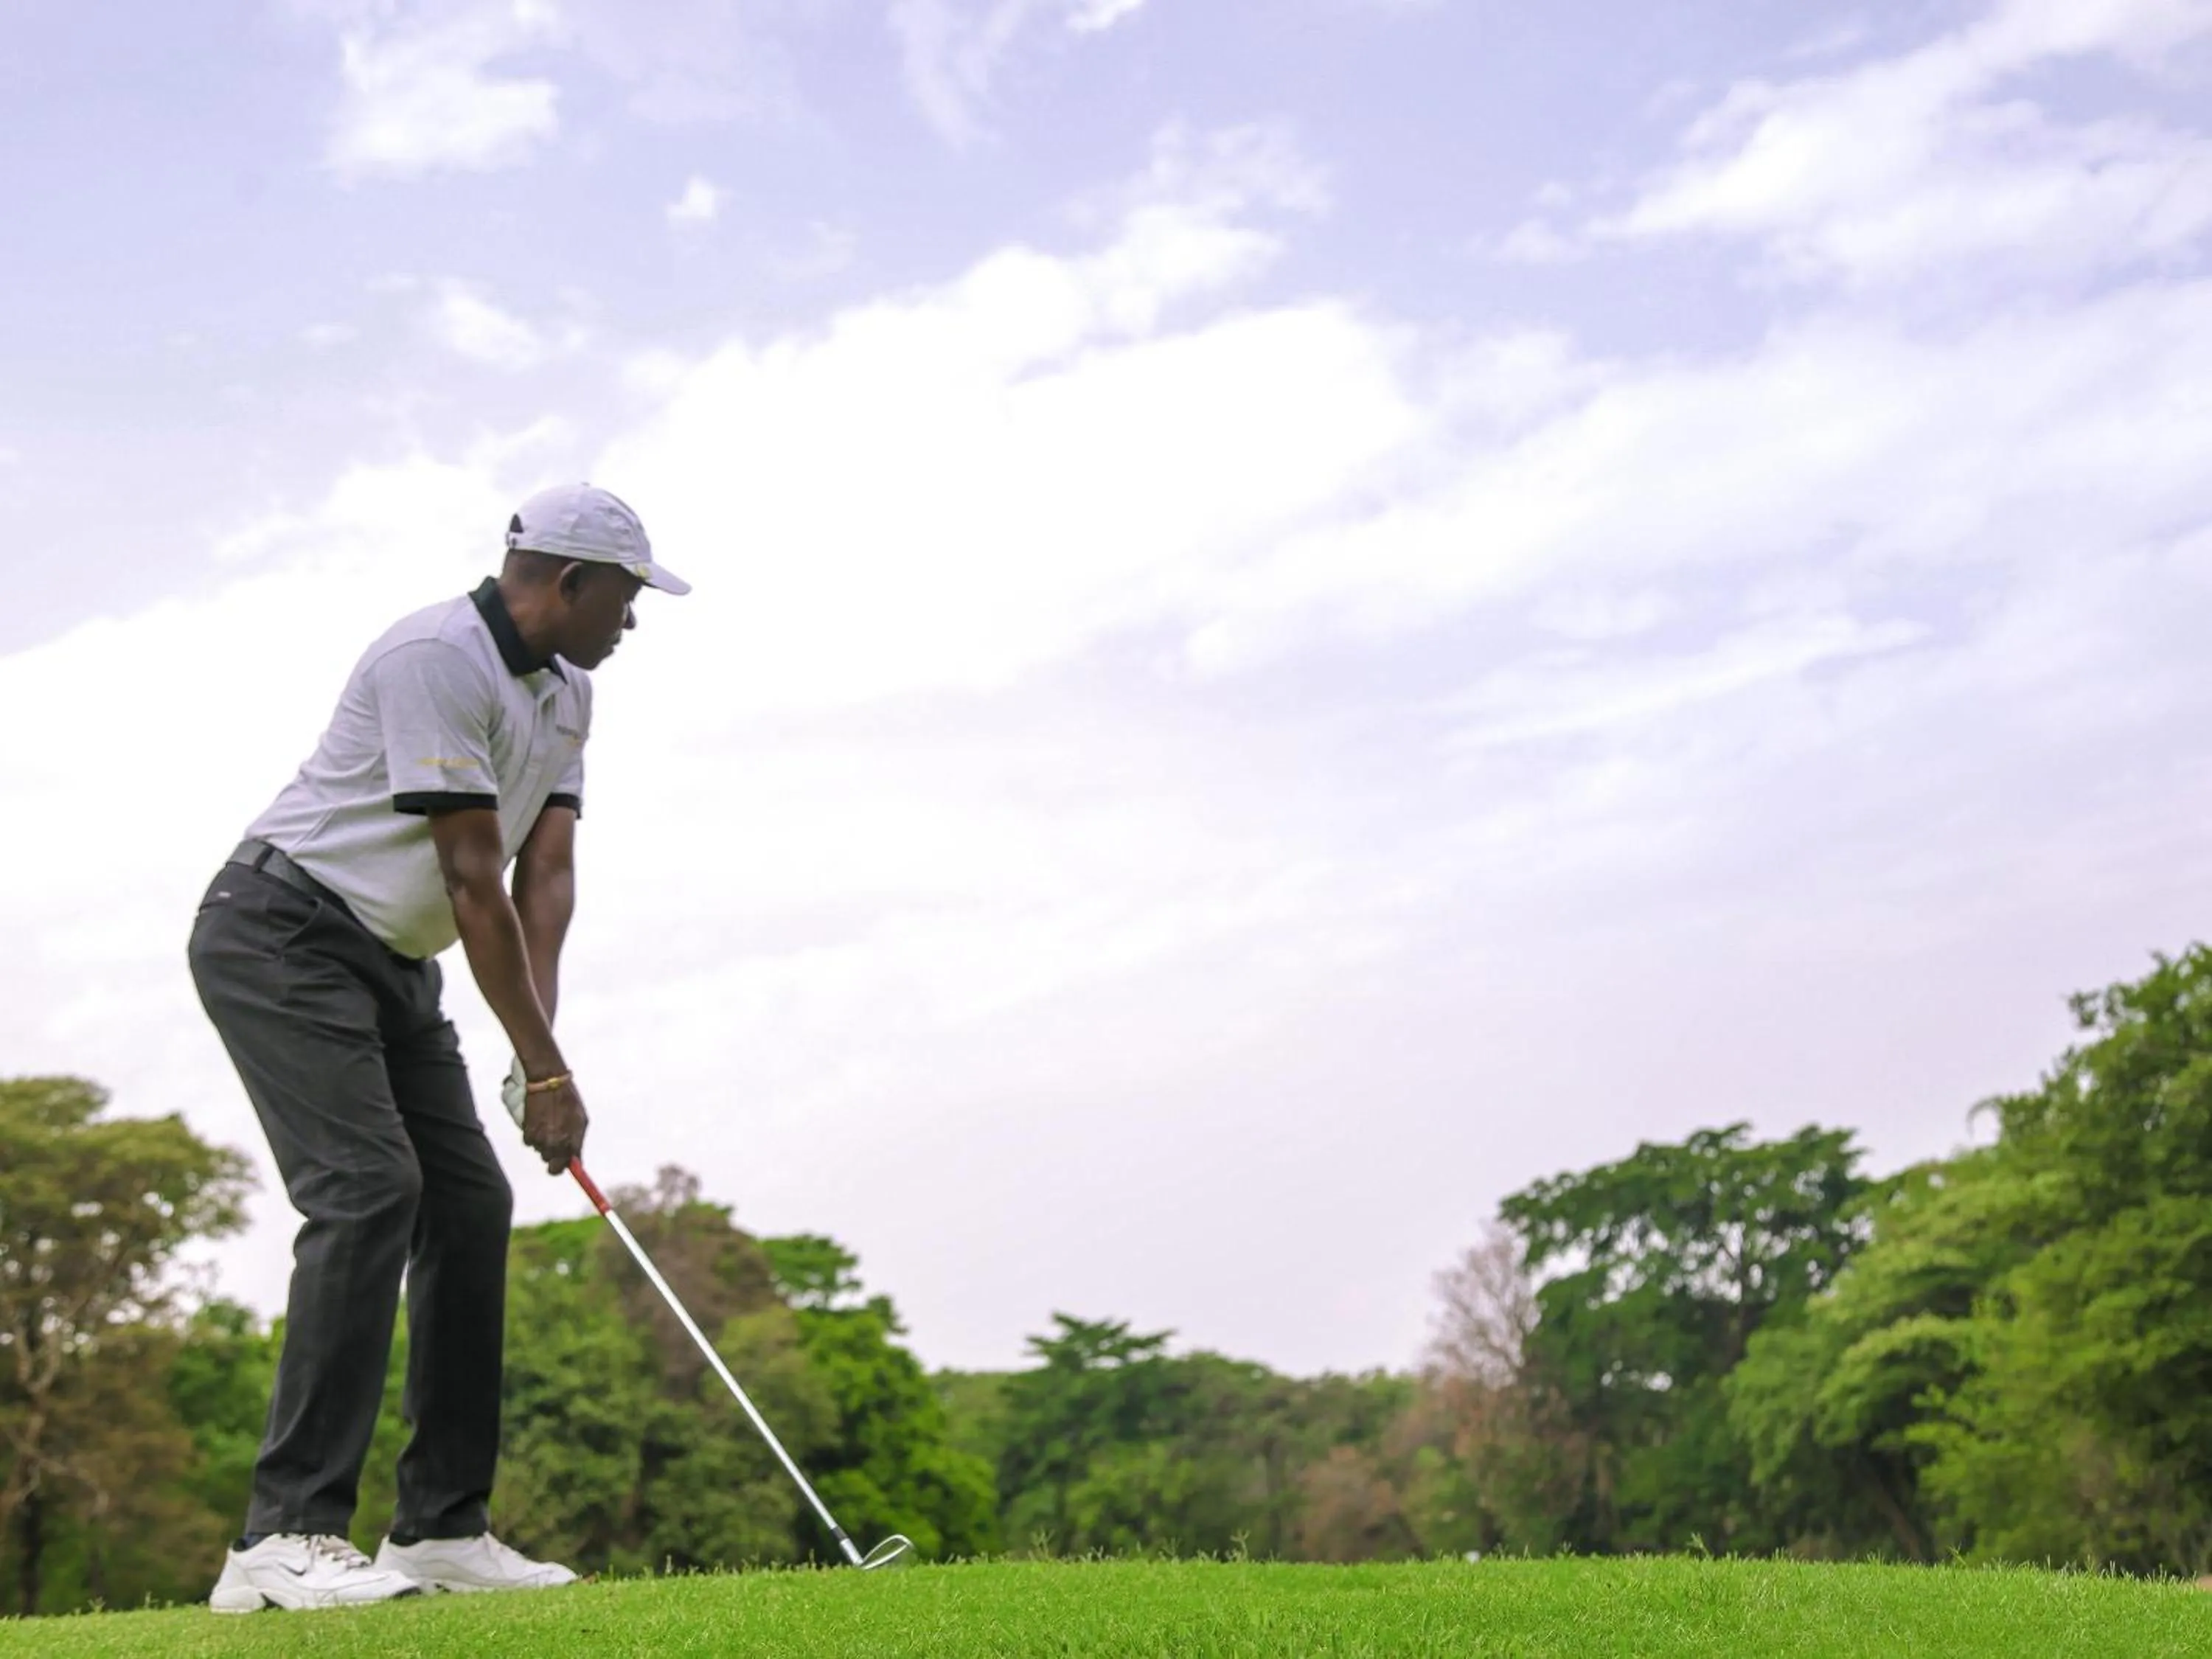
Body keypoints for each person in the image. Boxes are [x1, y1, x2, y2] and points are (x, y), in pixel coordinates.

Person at [188, 484, 689, 1612]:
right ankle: (284, 1531)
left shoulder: (567, 695)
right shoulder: (437, 656)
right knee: (368, 1189)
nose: (632, 621)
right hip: (282, 932)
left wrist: (537, 1051)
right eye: (624, 596)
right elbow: (469, 873)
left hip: (393, 965)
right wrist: (545, 1066)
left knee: (467, 1203)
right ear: (567, 582)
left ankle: (440, 1529)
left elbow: (540, 875)